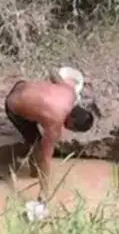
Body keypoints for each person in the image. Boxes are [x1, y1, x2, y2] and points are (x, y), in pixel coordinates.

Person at [4, 74, 95, 202]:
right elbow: (45, 159)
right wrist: (44, 192)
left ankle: (33, 171)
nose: (68, 129)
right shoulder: (55, 123)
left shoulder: (70, 93)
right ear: (72, 120)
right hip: (12, 105)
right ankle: (33, 173)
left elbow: (53, 73)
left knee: (39, 122)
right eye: (72, 128)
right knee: (36, 144)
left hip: (20, 85)